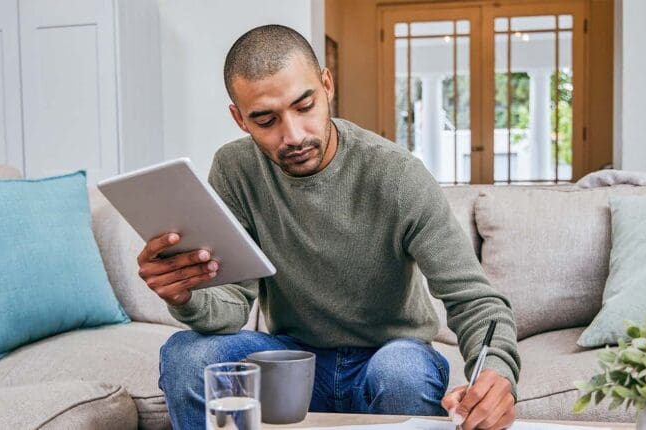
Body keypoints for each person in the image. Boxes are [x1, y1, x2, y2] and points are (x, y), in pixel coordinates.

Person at [138, 24, 520, 430]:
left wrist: (497, 374)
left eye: (305, 106)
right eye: (266, 120)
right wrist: (185, 296)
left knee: (401, 372)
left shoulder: (397, 175)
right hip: (291, 362)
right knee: (187, 356)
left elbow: (475, 301)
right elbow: (231, 307)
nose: (294, 135)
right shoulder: (236, 170)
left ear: (326, 85)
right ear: (239, 119)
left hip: (388, 355)